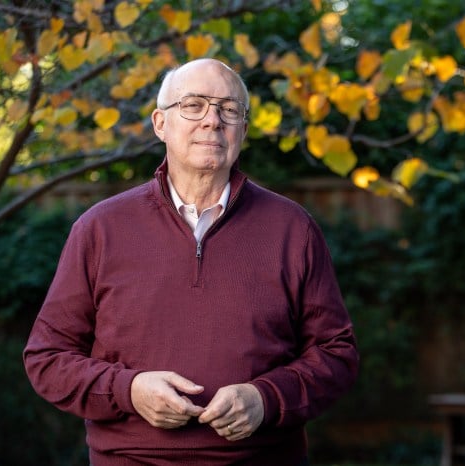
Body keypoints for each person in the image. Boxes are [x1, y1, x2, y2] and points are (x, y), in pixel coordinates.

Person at [23, 58, 359, 466]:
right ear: (160, 123)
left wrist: (266, 398)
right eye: (194, 105)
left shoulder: (293, 229)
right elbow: (48, 357)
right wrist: (128, 390)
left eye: (229, 109)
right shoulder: (100, 228)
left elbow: (336, 353)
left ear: (244, 130)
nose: (213, 121)